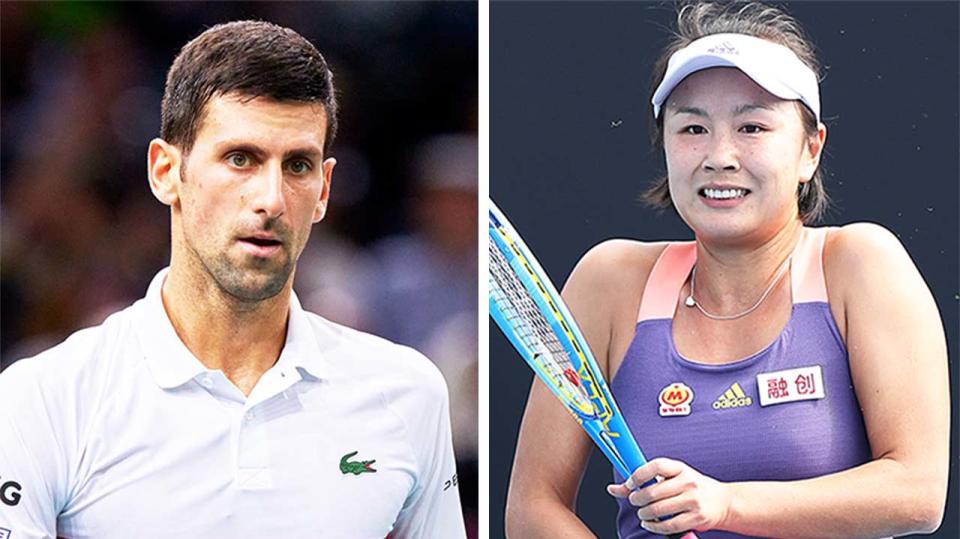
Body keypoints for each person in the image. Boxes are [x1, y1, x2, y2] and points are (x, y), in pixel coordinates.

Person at [0, 21, 466, 538]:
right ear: (165, 172)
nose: (271, 199)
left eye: (298, 165)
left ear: (325, 189)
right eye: (240, 159)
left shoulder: (409, 394)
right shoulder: (43, 399)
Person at [504, 2, 949, 538]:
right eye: (693, 128)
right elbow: (533, 506)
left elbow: (918, 491)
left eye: (752, 126)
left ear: (811, 149)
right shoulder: (609, 280)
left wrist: (726, 505)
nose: (720, 155)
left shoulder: (861, 263)